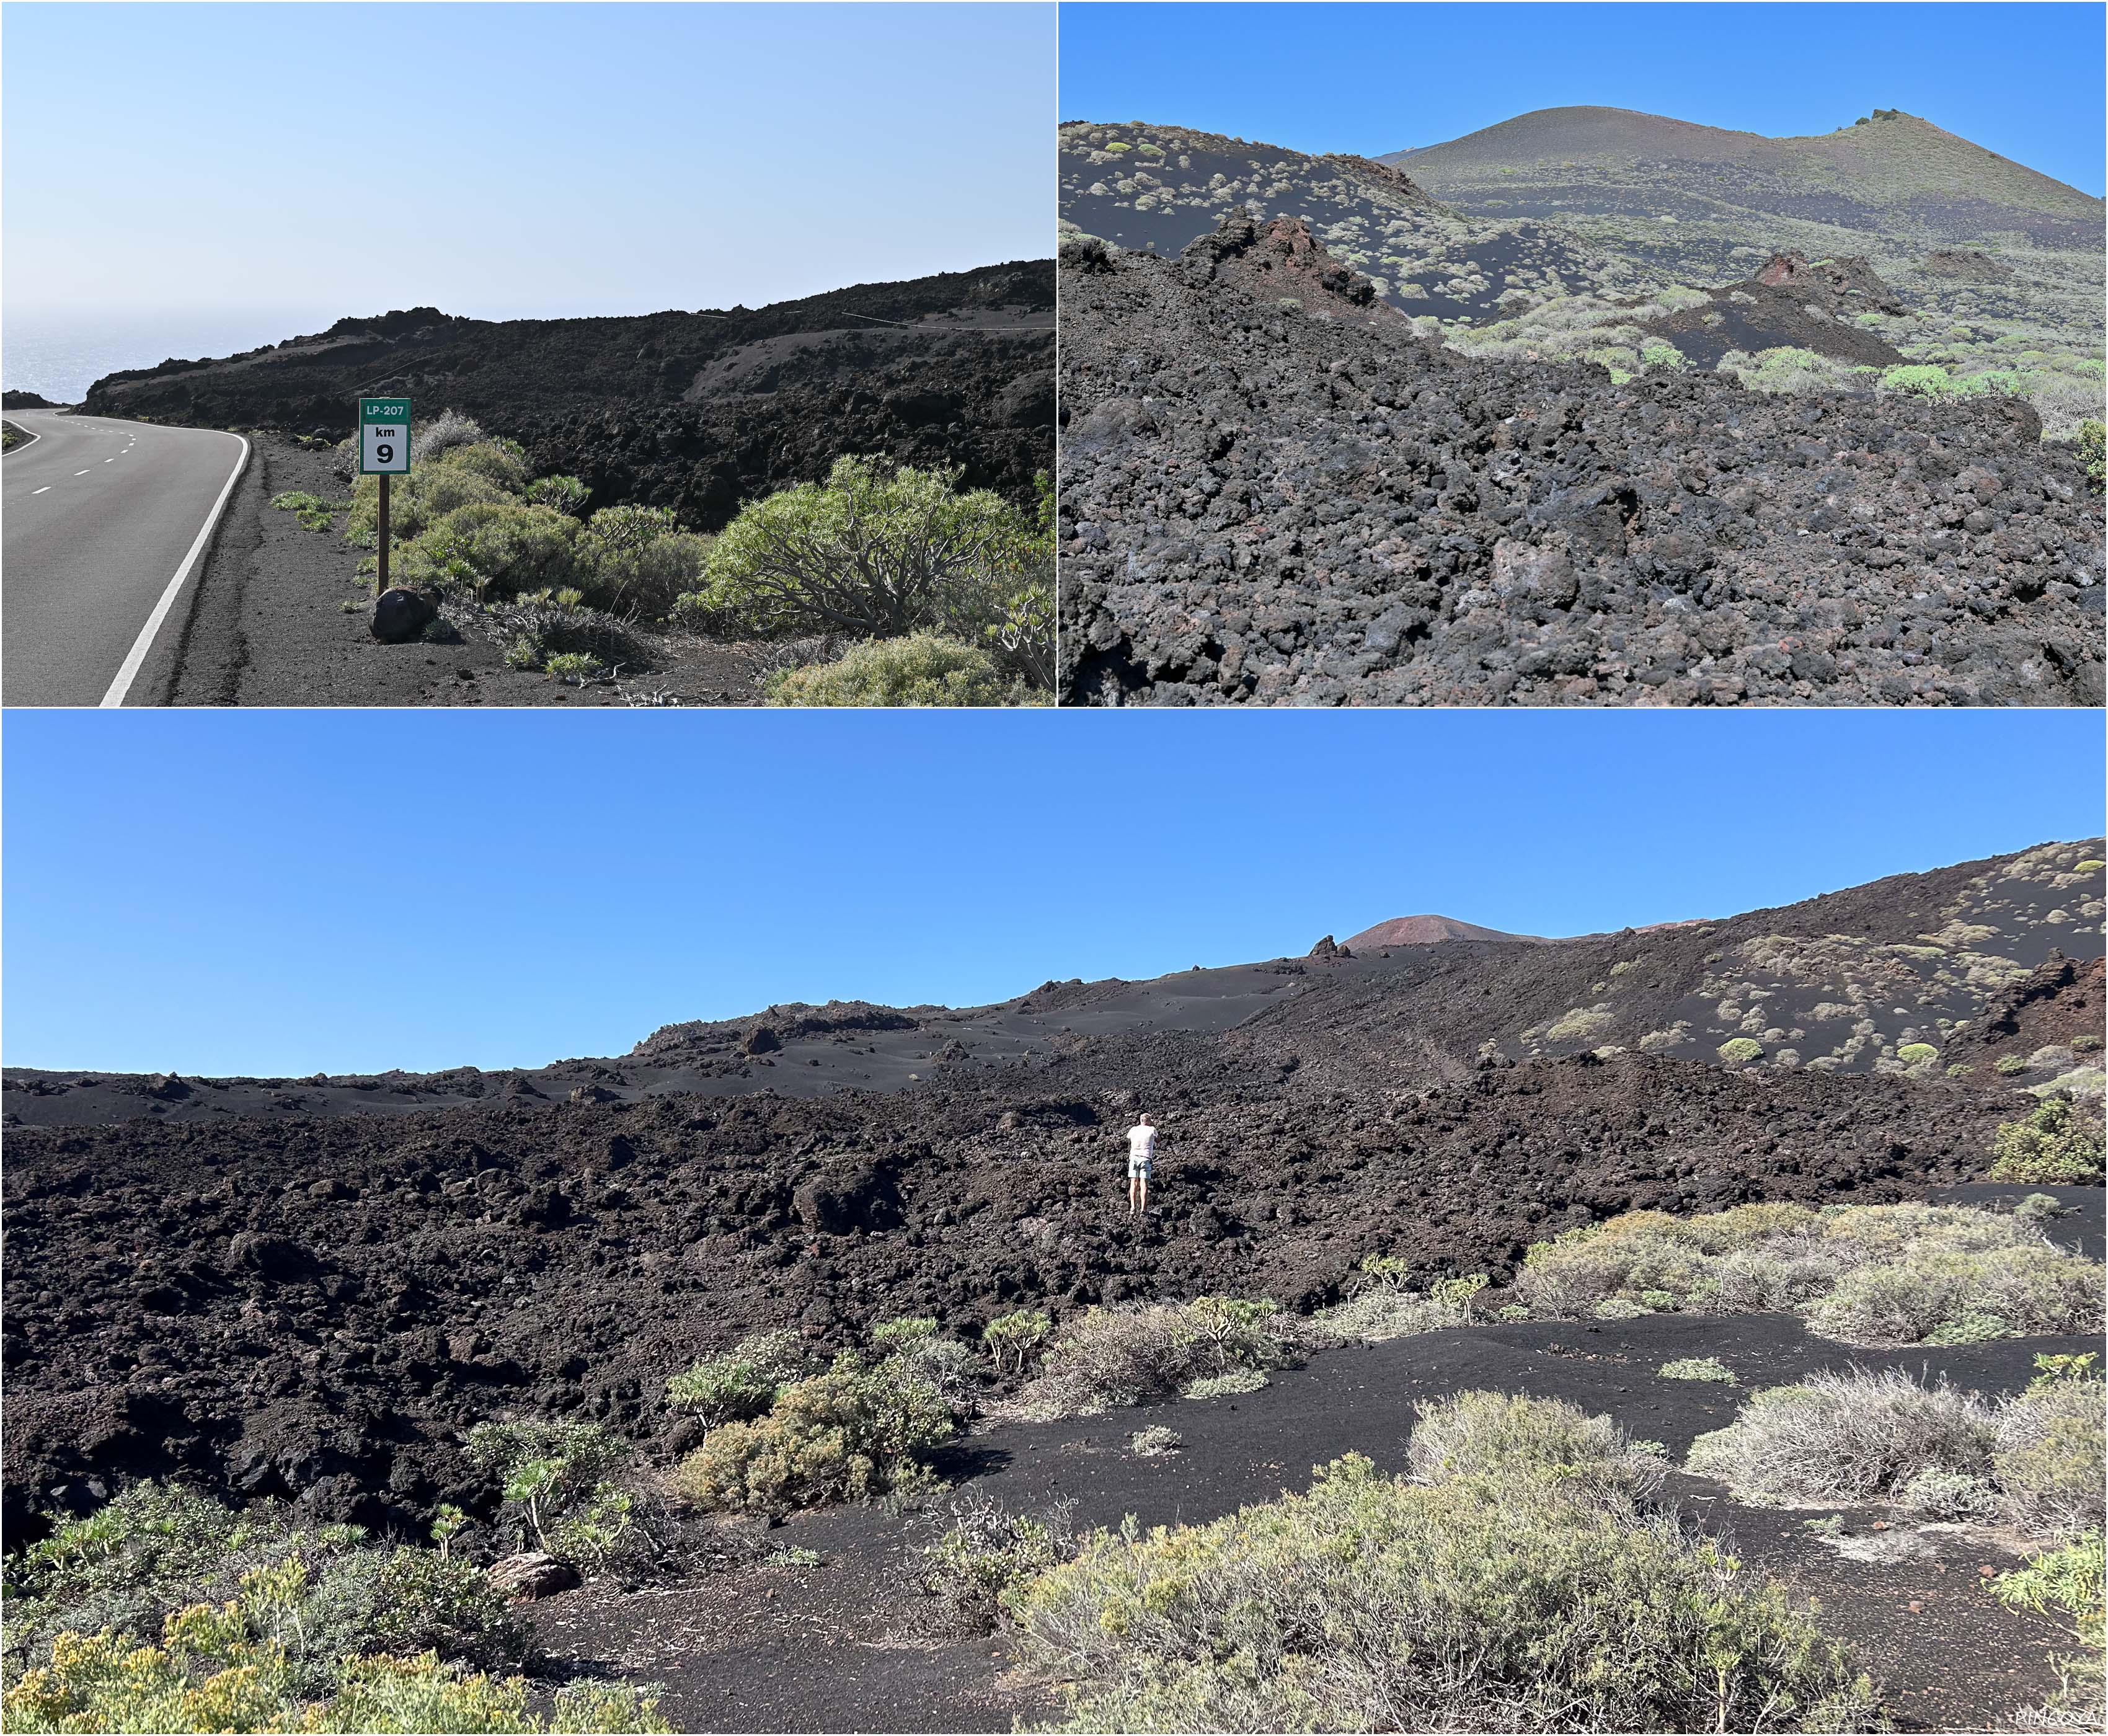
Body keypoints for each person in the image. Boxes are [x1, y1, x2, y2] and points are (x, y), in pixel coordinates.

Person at [1126, 1113, 1157, 1216]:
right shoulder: (1152, 1129)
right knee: (1144, 1184)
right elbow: (1159, 1140)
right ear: (1149, 1121)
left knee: (1134, 1183)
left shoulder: (1134, 1129)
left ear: (1141, 1121)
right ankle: (1143, 1210)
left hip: (1134, 1158)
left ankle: (1133, 1208)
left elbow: (1129, 1138)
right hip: (1145, 1158)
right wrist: (1153, 1126)